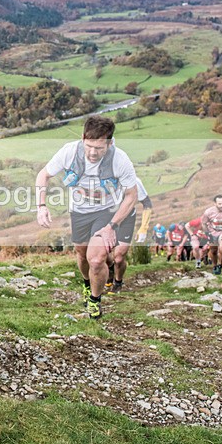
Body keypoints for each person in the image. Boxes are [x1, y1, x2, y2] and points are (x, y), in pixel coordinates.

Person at [36, 115, 138, 319]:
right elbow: (43, 175)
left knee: (95, 258)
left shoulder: (120, 160)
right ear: (83, 138)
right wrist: (41, 205)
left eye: (99, 148)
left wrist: (112, 226)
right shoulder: (69, 152)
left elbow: (131, 196)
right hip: (79, 212)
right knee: (82, 254)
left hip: (106, 212)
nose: (92, 152)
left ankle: (94, 300)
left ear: (109, 143)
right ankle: (87, 282)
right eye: (89, 146)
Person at [106, 176, 152, 293]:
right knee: (103, 254)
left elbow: (147, 203)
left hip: (126, 219)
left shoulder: (134, 181)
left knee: (119, 257)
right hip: (106, 219)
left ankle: (118, 282)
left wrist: (143, 227)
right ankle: (111, 268)